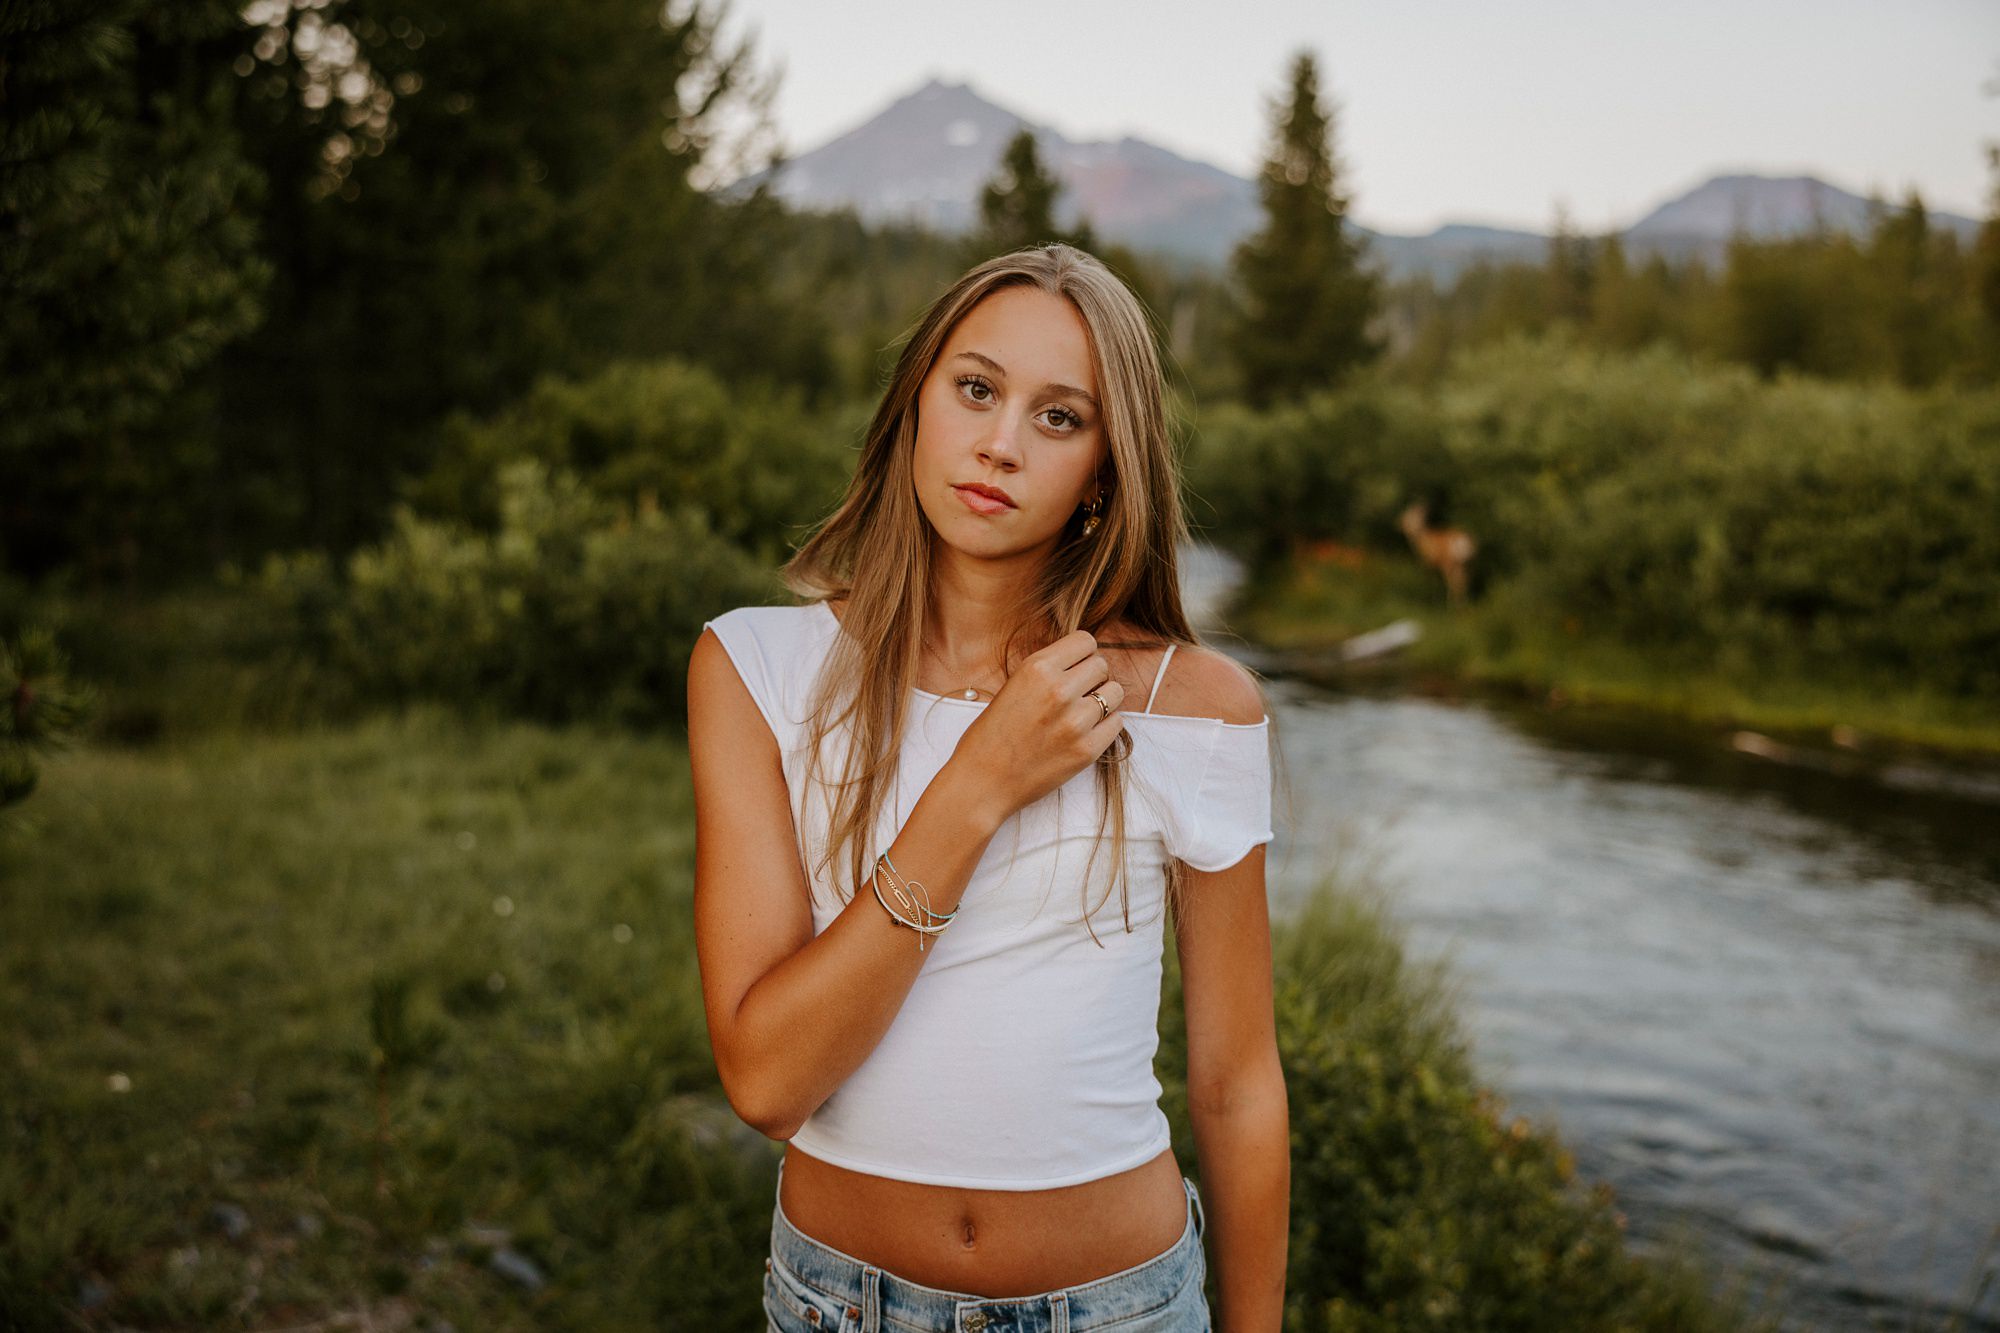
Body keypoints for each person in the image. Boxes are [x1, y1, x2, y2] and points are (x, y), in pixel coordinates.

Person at [688, 243, 1289, 1333]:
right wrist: (980, 781)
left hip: (1121, 1310)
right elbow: (766, 1082)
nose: (1000, 444)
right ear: (914, 400)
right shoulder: (753, 670)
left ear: (1107, 467)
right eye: (975, 389)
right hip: (838, 1306)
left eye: (1059, 417)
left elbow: (1237, 1084)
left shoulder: (1188, 706)